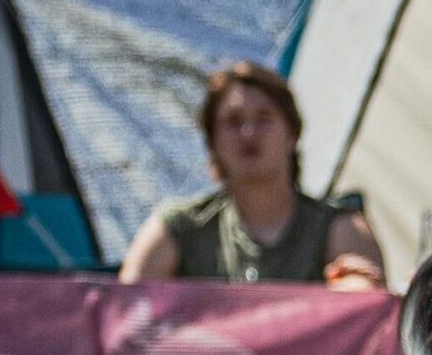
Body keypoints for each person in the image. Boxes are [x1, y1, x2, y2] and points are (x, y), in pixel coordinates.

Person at [122, 63, 385, 290]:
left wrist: (354, 287)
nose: (249, 133)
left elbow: (367, 315)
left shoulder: (341, 227)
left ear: (292, 134)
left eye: (264, 119)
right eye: (233, 122)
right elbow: (122, 311)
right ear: (213, 142)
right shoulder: (178, 228)